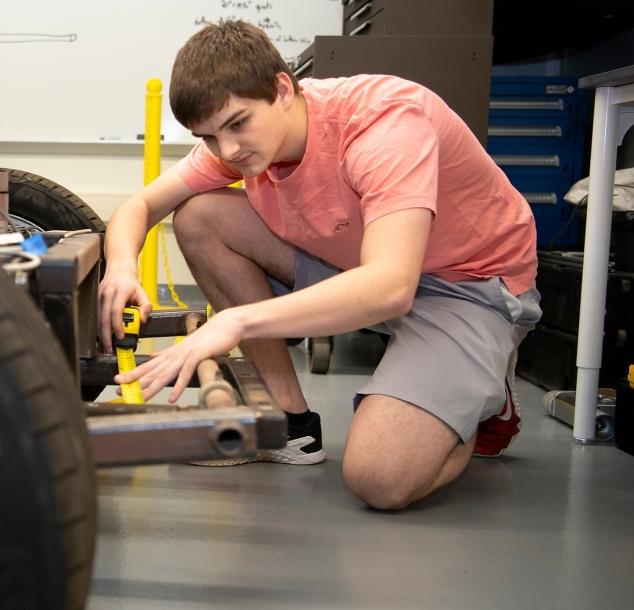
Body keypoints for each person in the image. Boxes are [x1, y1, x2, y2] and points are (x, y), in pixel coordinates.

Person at [98, 20, 540, 511]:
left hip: (465, 287)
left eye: (237, 125)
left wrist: (235, 321)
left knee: (380, 479)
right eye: (208, 137)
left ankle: (482, 396)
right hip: (357, 264)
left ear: (282, 89)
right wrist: (120, 267)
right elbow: (138, 208)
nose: (227, 151)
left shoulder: (383, 127)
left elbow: (392, 286)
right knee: (200, 217)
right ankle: (288, 426)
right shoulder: (243, 142)